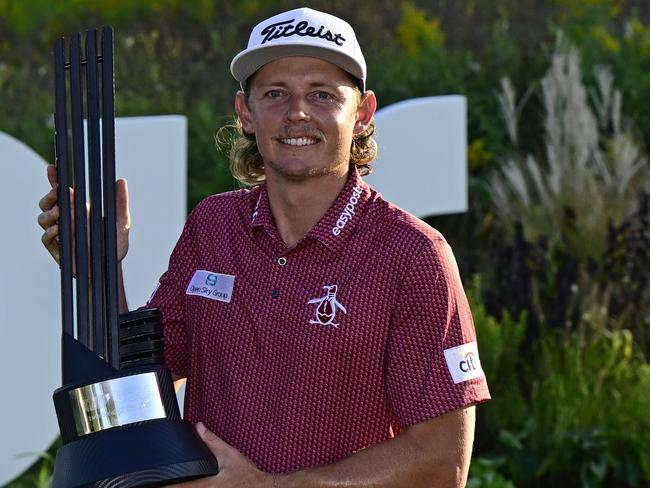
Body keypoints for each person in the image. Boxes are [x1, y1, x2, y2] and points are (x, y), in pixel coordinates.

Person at [38, 7, 490, 488]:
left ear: (361, 114)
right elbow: (142, 385)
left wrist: (272, 487)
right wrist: (99, 271)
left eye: (321, 94)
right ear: (245, 113)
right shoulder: (212, 226)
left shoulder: (413, 255)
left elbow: (444, 461)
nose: (297, 112)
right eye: (275, 94)